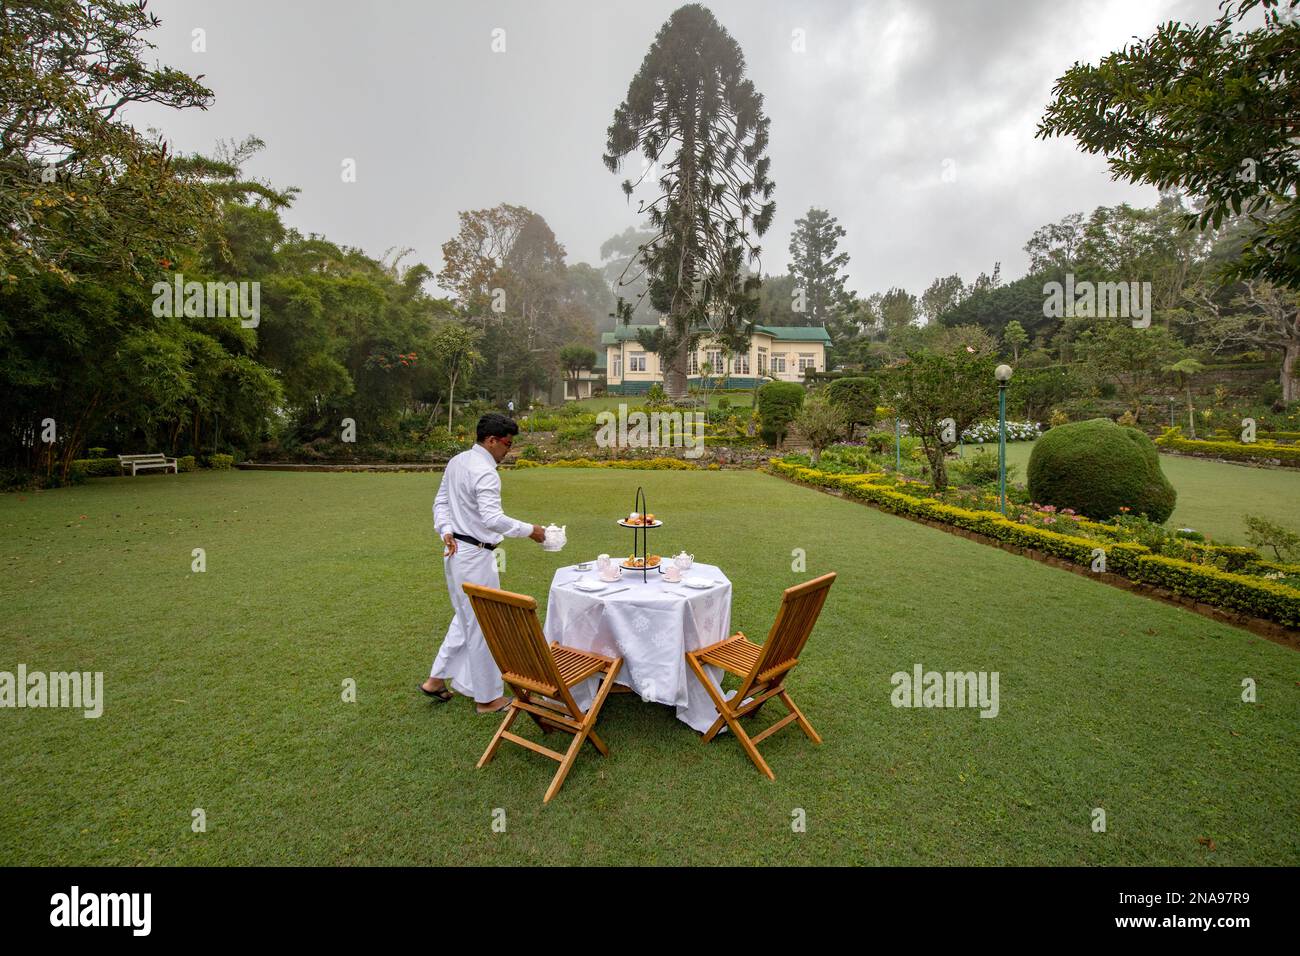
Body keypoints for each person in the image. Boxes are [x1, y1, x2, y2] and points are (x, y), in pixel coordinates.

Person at [420, 413, 546, 714]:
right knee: (483, 623)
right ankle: (487, 699)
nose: (508, 451)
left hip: (457, 553)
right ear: (491, 440)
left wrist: (446, 530)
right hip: (474, 555)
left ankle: (435, 680)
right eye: (507, 444)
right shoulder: (486, 472)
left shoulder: (457, 461)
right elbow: (492, 519)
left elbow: (440, 503)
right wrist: (533, 531)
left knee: (466, 617)